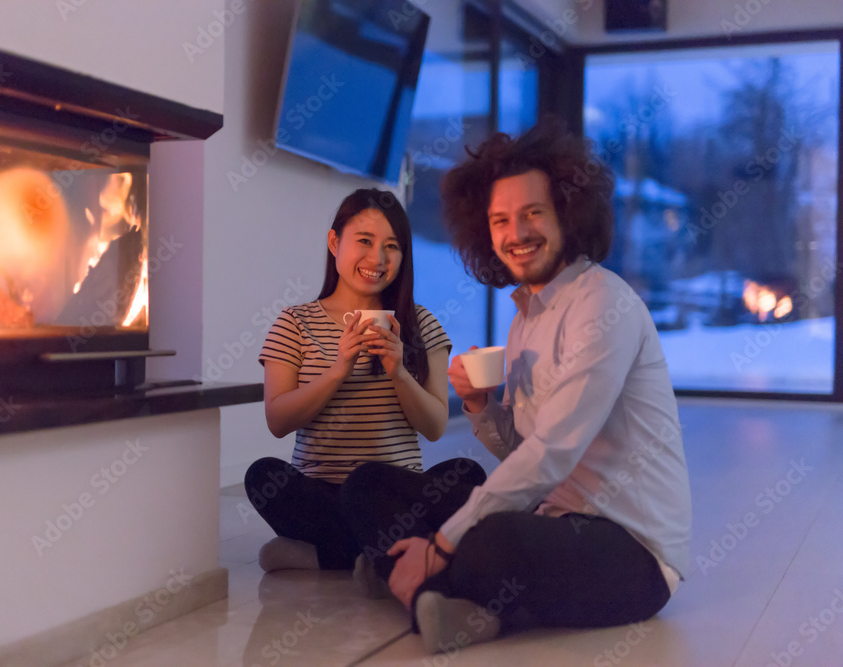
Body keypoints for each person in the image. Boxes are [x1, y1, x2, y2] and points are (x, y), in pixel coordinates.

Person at [341, 118, 692, 652]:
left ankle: (420, 576)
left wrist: (443, 542)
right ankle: (444, 594)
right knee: (372, 484)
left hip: (629, 552)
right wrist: (481, 406)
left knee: (491, 539)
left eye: (533, 213)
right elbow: (522, 451)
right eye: (501, 219)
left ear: (567, 215)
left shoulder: (604, 304)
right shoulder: (527, 312)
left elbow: (550, 454)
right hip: (550, 514)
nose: (516, 233)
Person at [246, 188, 486, 576]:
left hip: (391, 490)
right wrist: (338, 370)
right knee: (263, 477)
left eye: (391, 246)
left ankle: (327, 556)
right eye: (364, 241)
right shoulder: (294, 323)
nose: (377, 258)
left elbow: (435, 426)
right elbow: (277, 421)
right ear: (333, 242)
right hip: (322, 494)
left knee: (467, 476)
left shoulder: (421, 325)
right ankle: (392, 552)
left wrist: (399, 372)